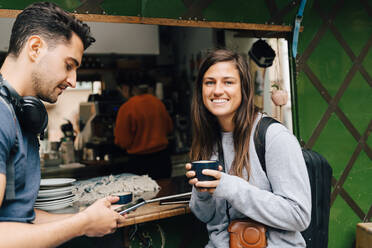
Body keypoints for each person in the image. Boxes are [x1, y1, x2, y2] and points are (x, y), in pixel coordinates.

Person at [0, 2, 126, 248]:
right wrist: (82, 224)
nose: (72, 81)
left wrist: (86, 219)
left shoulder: (20, 114)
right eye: (69, 65)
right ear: (35, 48)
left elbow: (20, 218)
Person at [185, 49, 311, 247]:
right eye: (209, 82)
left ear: (244, 88)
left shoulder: (273, 137)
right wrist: (202, 192)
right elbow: (206, 217)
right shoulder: (207, 140)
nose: (217, 90)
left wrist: (230, 187)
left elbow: (299, 215)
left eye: (228, 82)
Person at [114, 73, 173, 179]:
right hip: (162, 160)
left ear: (126, 88)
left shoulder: (127, 108)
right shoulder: (158, 103)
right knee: (164, 192)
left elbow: (122, 141)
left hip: (140, 163)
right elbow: (169, 128)